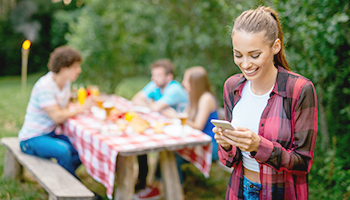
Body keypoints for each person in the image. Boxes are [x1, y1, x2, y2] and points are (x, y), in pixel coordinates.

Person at [213, 6, 318, 200]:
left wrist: (259, 146)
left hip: (280, 193)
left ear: (275, 46)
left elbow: (303, 163)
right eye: (238, 55)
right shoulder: (232, 86)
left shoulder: (299, 90)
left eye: (254, 55)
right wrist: (227, 145)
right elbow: (230, 160)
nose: (245, 64)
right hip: (239, 189)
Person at [18, 46, 95, 179]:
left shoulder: (65, 83)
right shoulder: (45, 86)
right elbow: (58, 117)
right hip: (31, 138)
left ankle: (62, 176)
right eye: (76, 67)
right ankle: (74, 188)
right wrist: (82, 108)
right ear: (64, 68)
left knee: (82, 147)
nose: (79, 70)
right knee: (63, 150)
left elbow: (62, 107)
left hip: (50, 133)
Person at [132, 59, 188, 200]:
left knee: (162, 151)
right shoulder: (155, 84)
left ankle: (158, 188)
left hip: (183, 133)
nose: (153, 78)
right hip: (166, 130)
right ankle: (144, 181)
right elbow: (135, 99)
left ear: (168, 77)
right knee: (140, 144)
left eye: (157, 75)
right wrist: (152, 104)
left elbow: (156, 108)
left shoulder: (174, 88)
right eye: (153, 75)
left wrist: (150, 103)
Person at [175, 66, 219, 184]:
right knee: (169, 151)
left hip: (211, 145)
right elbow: (185, 116)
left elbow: (198, 125)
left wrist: (176, 117)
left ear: (194, 83)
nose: (183, 83)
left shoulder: (206, 98)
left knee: (173, 155)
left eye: (186, 80)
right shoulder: (194, 96)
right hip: (198, 141)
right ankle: (161, 184)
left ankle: (174, 189)